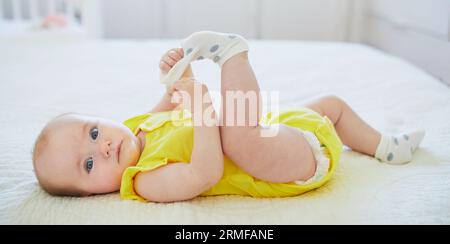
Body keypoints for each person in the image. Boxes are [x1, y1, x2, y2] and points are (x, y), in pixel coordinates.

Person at [32, 31, 425, 203]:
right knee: (237, 135)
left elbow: (172, 101)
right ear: (90, 194)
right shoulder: (143, 180)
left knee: (329, 106)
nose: (102, 148)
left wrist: (179, 74)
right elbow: (204, 173)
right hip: (273, 166)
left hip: (272, 130)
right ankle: (232, 53)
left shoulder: (137, 127)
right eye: (87, 163)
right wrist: (203, 111)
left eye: (95, 132)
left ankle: (384, 146)